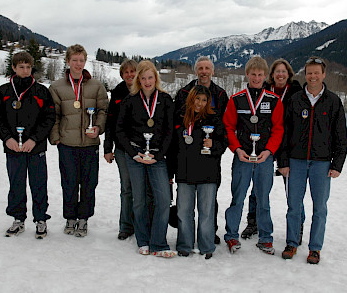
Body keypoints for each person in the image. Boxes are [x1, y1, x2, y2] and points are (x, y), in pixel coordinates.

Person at [278, 57, 347, 264]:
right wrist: (283, 161)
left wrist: (337, 164)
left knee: (320, 208)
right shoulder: (295, 99)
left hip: (322, 163)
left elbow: (341, 136)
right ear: (305, 74)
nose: (313, 76)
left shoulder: (333, 101)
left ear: (324, 74)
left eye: (317, 72)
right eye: (309, 73)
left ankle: (315, 248)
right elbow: (284, 132)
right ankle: (292, 243)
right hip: (296, 161)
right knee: (293, 206)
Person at [0, 51, 55, 239]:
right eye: (21, 67)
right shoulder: (3, 91)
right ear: (14, 68)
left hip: (36, 148)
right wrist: (7, 139)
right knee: (16, 183)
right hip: (13, 147)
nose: (25, 71)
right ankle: (18, 219)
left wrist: (34, 139)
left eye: (28, 67)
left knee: (39, 184)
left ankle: (41, 219)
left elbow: (49, 119)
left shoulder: (41, 91)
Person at [223, 56, 284, 255]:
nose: (256, 78)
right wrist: (237, 149)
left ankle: (265, 238)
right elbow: (229, 127)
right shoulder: (237, 99)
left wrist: (269, 151)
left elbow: (278, 129)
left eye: (260, 75)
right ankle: (231, 236)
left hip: (264, 158)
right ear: (247, 74)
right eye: (253, 74)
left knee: (263, 199)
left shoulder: (273, 100)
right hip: (243, 157)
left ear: (266, 76)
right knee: (238, 198)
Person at [116, 60, 176, 258]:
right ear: (138, 80)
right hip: (135, 155)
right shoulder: (130, 100)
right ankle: (143, 239)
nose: (147, 81)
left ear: (156, 78)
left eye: (150, 77)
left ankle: (158, 242)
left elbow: (169, 132)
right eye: (143, 78)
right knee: (139, 199)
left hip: (158, 157)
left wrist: (158, 156)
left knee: (163, 199)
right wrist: (134, 154)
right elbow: (120, 130)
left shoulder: (166, 100)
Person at [241, 58, 305, 244]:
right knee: (257, 187)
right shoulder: (265, 89)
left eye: (283, 71)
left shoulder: (297, 92)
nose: (280, 75)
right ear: (272, 74)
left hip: (288, 146)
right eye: (277, 71)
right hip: (264, 146)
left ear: (289, 74)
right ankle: (253, 221)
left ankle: (297, 226)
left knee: (292, 189)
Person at [49, 44, 108, 237]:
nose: (78, 64)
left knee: (89, 183)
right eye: (74, 60)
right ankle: (70, 218)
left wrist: (98, 128)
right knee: (69, 183)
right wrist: (56, 138)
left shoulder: (97, 86)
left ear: (85, 61)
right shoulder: (57, 87)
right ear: (67, 61)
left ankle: (84, 219)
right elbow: (53, 116)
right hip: (67, 144)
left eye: (81, 60)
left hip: (90, 145)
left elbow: (103, 111)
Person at [174, 56, 229, 244]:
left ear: (212, 71)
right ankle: (186, 239)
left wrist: (215, 146)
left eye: (207, 68)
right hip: (186, 160)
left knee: (208, 202)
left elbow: (225, 130)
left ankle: (208, 235)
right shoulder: (183, 92)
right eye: (200, 68)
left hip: (209, 161)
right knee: (184, 206)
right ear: (196, 70)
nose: (204, 71)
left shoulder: (221, 95)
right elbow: (176, 126)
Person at [104, 59, 137, 240]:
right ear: (122, 74)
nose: (130, 75)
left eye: (133, 71)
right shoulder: (117, 92)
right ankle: (126, 225)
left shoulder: (144, 89)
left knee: (143, 189)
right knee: (127, 188)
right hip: (122, 150)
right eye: (126, 72)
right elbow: (110, 123)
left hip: (142, 149)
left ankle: (142, 223)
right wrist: (108, 147)